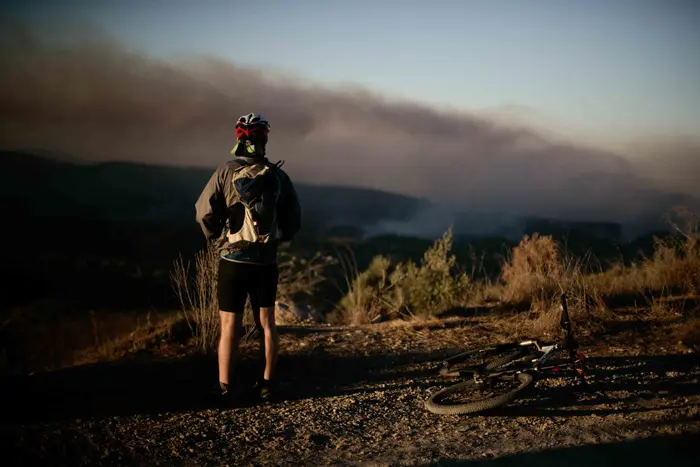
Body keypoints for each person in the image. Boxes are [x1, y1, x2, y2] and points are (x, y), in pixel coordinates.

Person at [194, 113, 302, 403]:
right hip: (265, 262)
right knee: (267, 323)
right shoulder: (278, 176)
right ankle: (267, 384)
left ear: (239, 139)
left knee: (229, 326)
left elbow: (202, 211)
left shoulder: (226, 171)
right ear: (264, 138)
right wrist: (277, 241)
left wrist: (218, 241)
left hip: (232, 261)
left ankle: (224, 387)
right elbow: (293, 220)